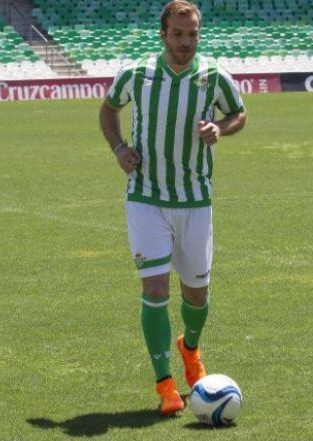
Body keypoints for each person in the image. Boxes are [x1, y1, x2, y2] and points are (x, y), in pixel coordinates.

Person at [98, 0, 247, 416]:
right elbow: (109, 109)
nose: (186, 41)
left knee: (197, 295)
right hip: (146, 198)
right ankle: (165, 384)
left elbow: (239, 113)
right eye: (178, 34)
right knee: (155, 290)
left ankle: (190, 348)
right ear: (163, 34)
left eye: (193, 33)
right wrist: (119, 148)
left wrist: (221, 127)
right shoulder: (138, 74)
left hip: (195, 200)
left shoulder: (214, 76)